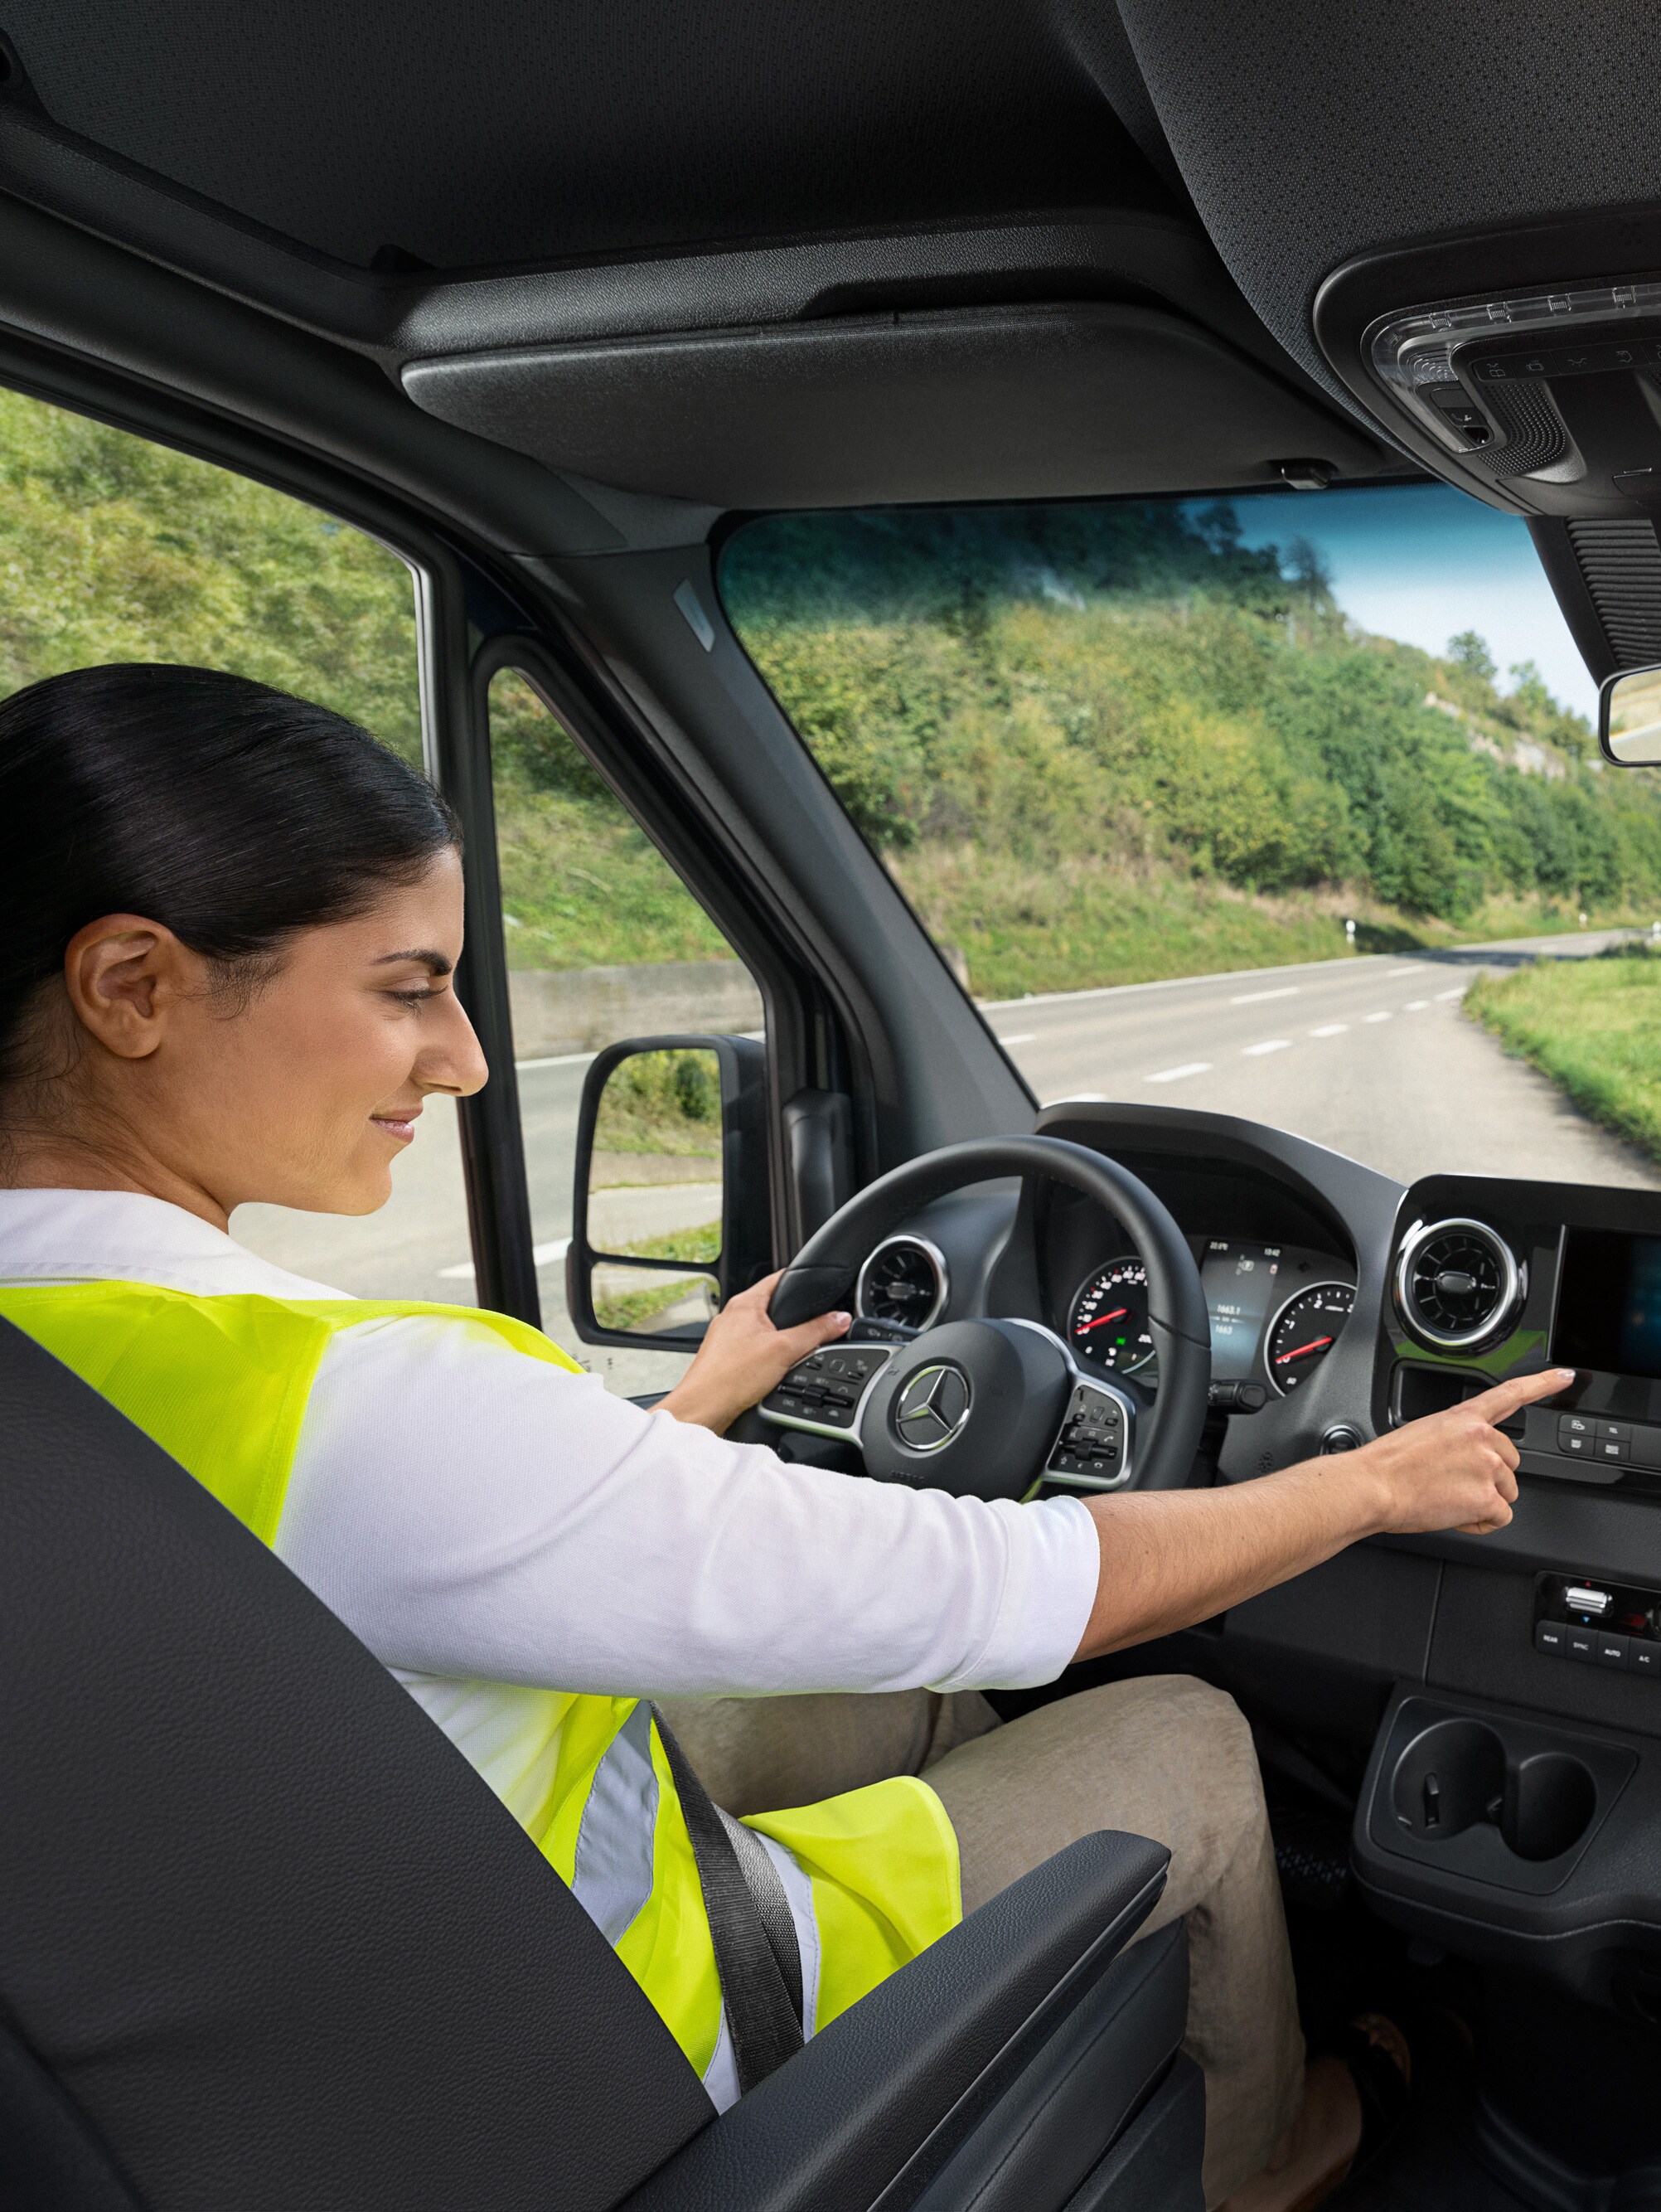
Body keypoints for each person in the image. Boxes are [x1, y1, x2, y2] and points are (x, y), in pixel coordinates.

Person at [0, 663, 1564, 2212]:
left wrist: (677, 1424)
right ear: (133, 986)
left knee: (898, 1683)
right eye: (410, 987)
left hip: (346, 2008)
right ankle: (1273, 2161)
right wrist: (1369, 1481)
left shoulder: (93, 1376)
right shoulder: (373, 1400)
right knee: (1194, 1741)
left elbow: (392, 1552)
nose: (468, 1056)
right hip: (632, 2045)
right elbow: (1031, 1580)